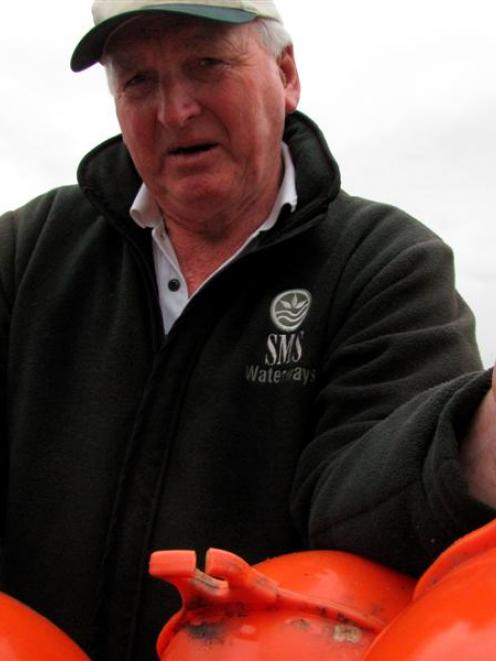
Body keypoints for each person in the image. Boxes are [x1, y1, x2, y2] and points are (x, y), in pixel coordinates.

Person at [0, 1, 495, 658]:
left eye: (205, 63)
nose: (174, 110)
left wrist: (473, 439)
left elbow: (358, 494)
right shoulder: (28, 251)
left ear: (286, 75)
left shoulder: (385, 264)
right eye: (138, 81)